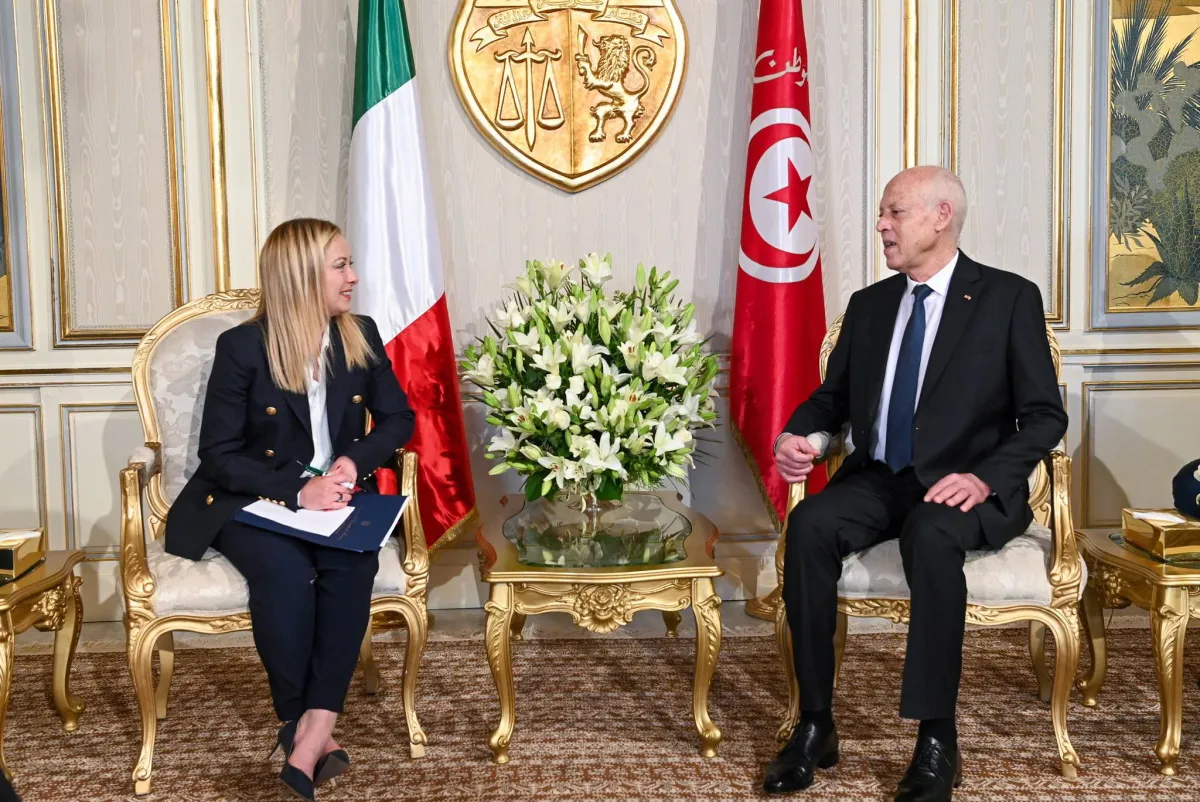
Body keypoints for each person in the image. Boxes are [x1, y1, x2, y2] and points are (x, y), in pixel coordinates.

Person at [762, 167, 1066, 801]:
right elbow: (833, 398)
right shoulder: (870, 305)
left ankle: (936, 740)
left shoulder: (1008, 298)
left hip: (965, 485)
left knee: (930, 535)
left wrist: (984, 478)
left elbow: (1044, 417)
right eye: (882, 213)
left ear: (941, 216)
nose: (881, 225)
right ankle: (815, 724)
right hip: (880, 478)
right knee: (810, 524)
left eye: (894, 212)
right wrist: (801, 437)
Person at [165, 218, 415, 800]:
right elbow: (219, 455)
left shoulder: (360, 334)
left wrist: (353, 460)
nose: (354, 277)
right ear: (302, 275)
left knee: (352, 563)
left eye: (350, 264)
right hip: (253, 499)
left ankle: (311, 730)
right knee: (284, 574)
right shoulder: (243, 347)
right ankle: (302, 722)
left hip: (337, 499)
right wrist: (297, 492)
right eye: (341, 266)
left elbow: (398, 418)